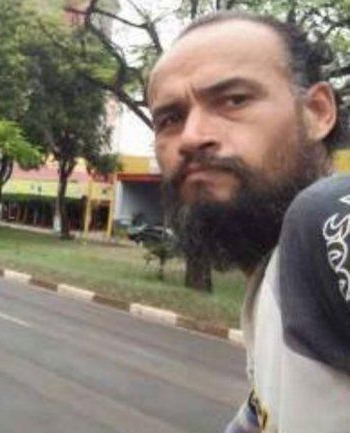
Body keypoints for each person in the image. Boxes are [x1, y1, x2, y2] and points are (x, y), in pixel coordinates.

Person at [148, 11, 349, 432]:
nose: (191, 137)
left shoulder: (327, 219)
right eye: (170, 119)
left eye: (234, 100)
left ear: (317, 112)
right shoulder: (270, 291)